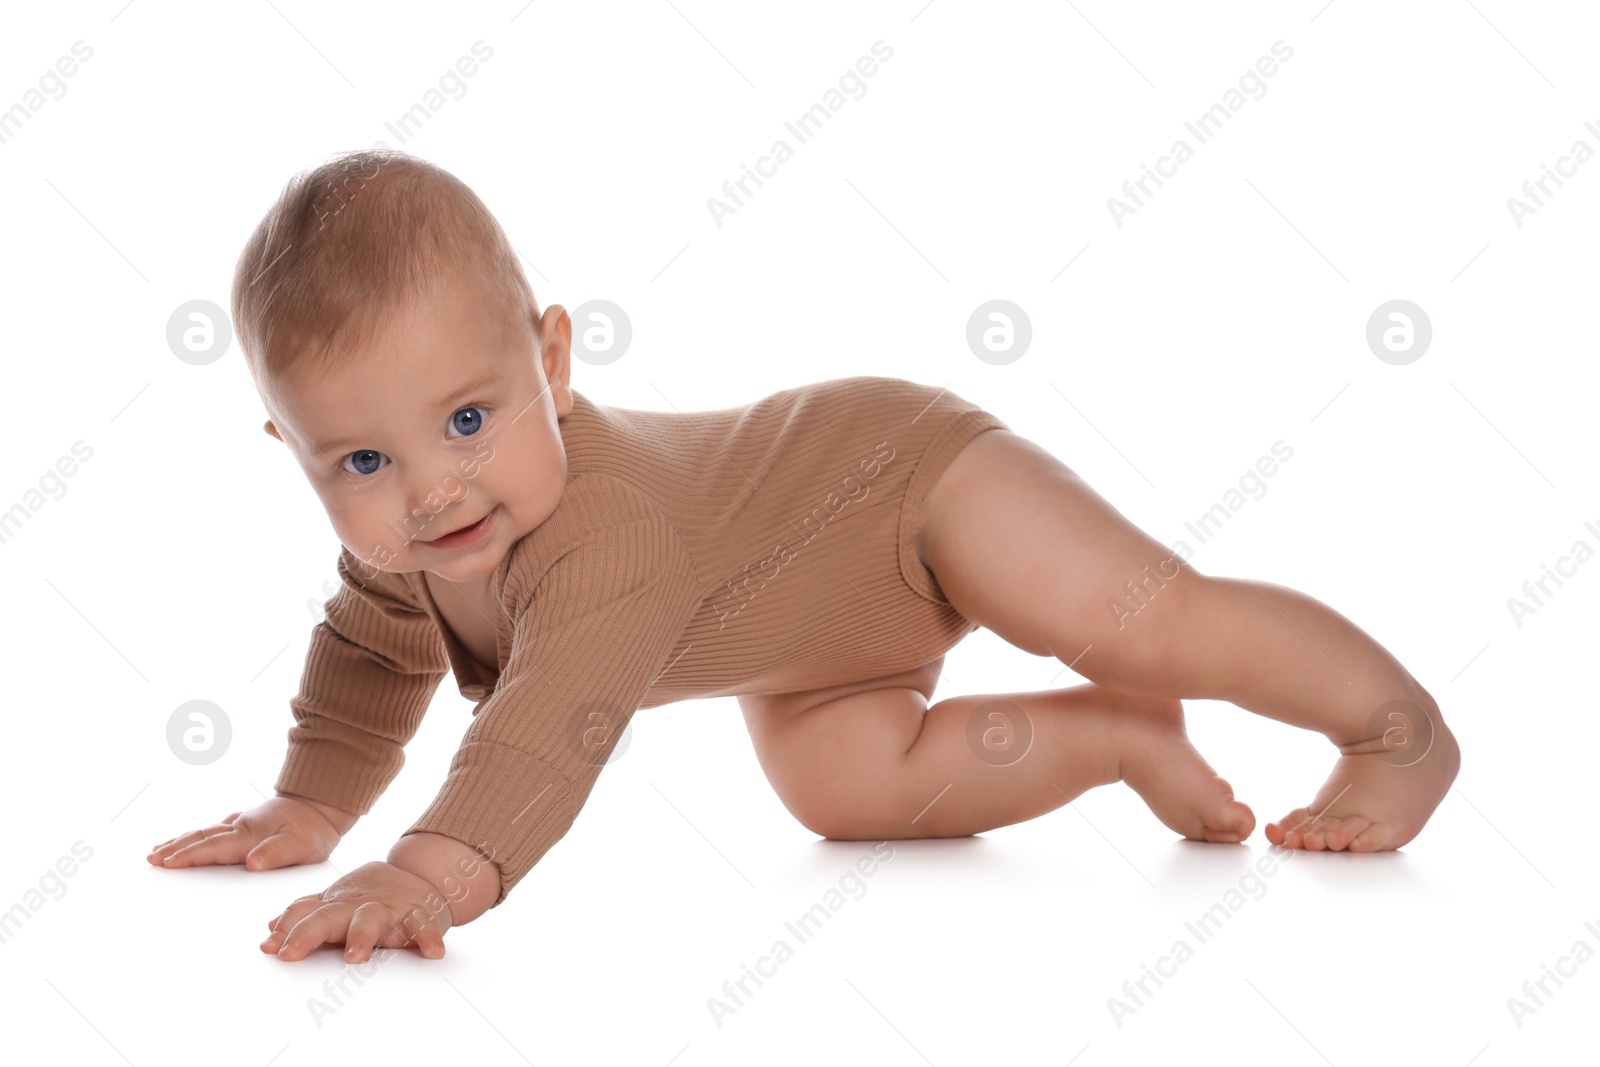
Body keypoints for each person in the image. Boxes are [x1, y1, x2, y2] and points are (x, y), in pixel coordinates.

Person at [148, 149, 1459, 964]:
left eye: (470, 420)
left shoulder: (607, 535)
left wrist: (428, 872)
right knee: (845, 792)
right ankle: (1119, 739)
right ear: (294, 448)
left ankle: (1394, 733)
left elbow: (549, 725)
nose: (432, 491)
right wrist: (311, 808)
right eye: (361, 462)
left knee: (1141, 615)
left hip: (902, 485)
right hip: (813, 639)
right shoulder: (407, 551)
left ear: (551, 361)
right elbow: (368, 661)